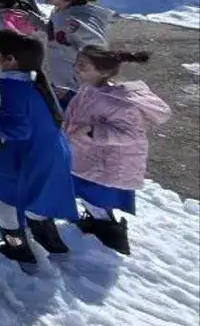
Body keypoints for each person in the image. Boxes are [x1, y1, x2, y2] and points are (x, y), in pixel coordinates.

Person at [0, 30, 79, 273]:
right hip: (53, 153)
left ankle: (18, 249)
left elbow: (17, 130)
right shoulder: (37, 83)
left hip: (27, 156)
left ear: (10, 59)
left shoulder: (7, 86)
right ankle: (53, 244)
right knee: (38, 200)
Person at [64, 46, 171, 255]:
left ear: (103, 72)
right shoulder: (89, 89)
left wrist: (94, 131)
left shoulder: (119, 102)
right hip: (88, 158)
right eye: (77, 63)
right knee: (87, 195)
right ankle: (98, 223)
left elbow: (131, 135)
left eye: (83, 65)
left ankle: (113, 237)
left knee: (95, 197)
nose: (76, 68)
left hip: (106, 164)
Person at [41, 0, 114, 100]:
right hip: (62, 81)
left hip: (77, 87)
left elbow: (97, 51)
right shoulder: (61, 12)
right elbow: (53, 33)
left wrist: (77, 85)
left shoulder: (78, 19)